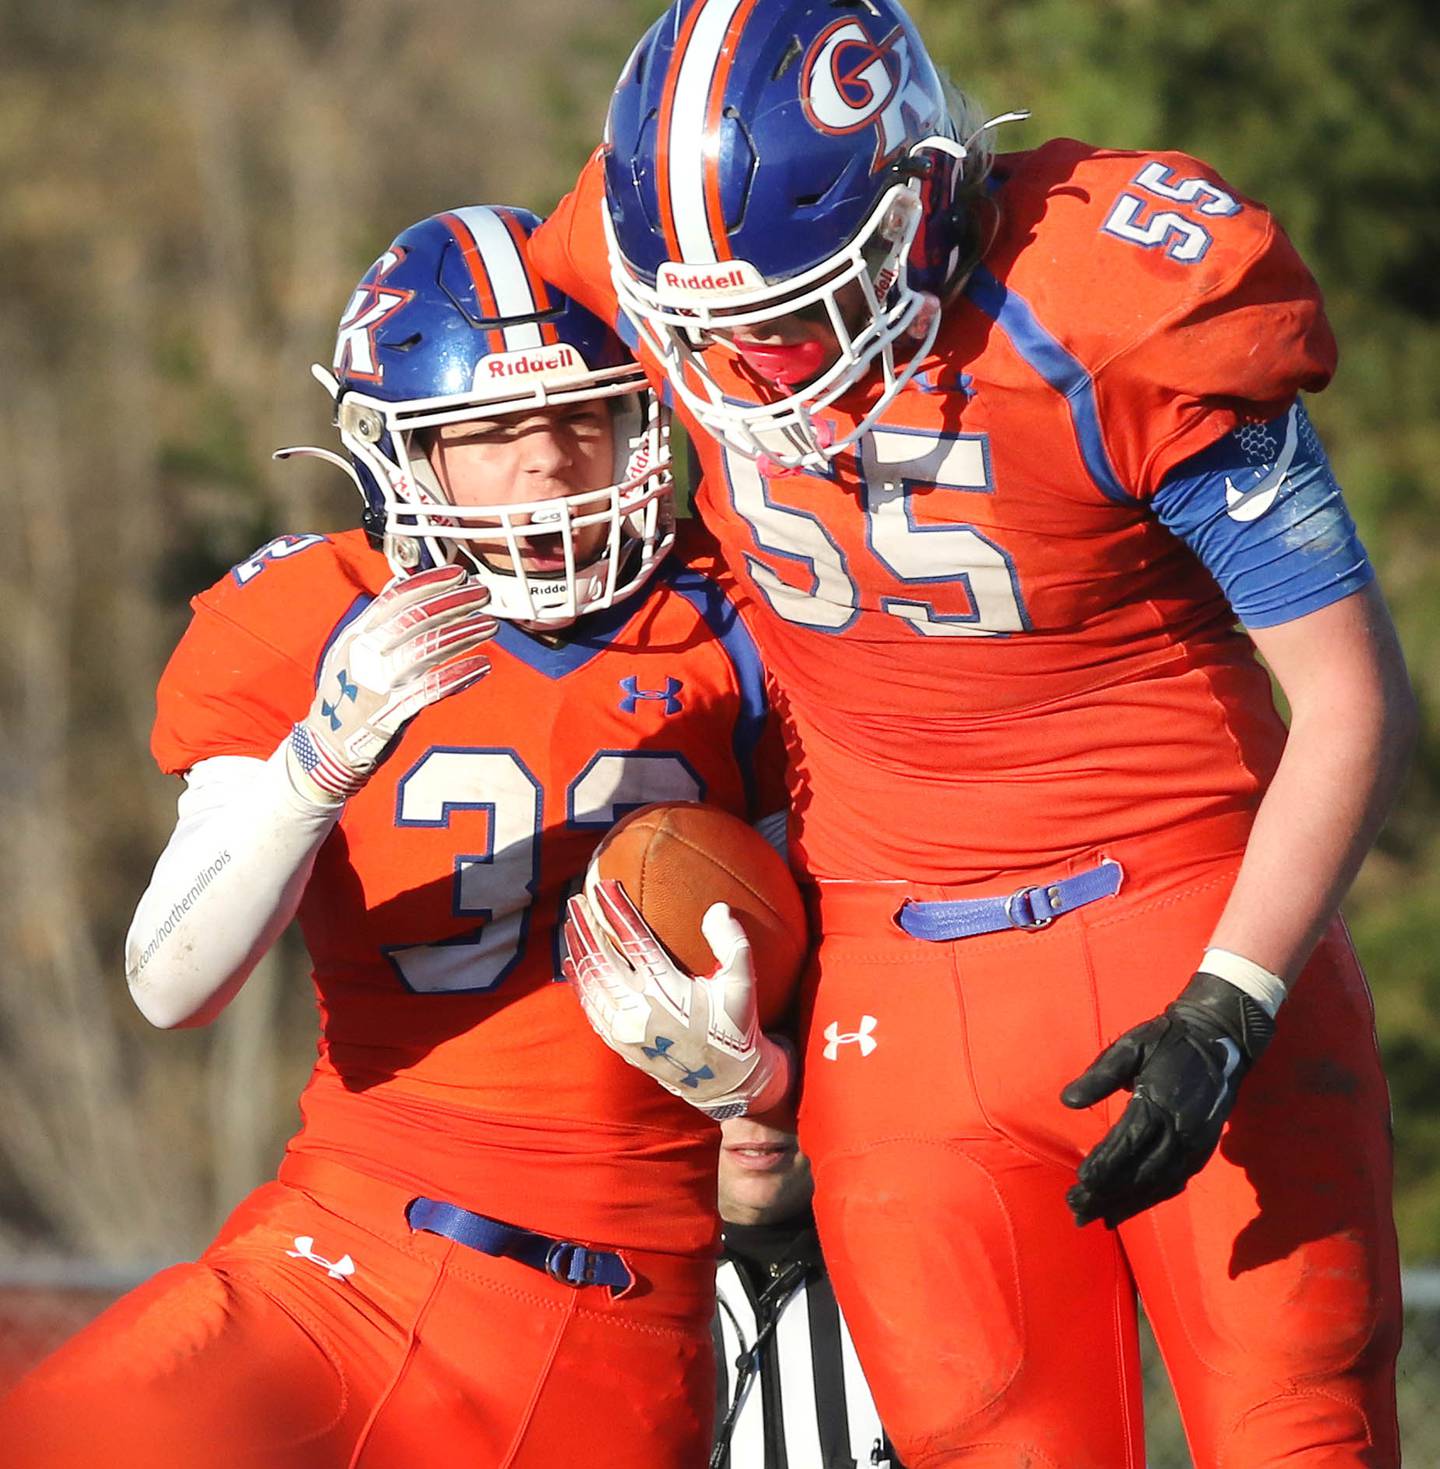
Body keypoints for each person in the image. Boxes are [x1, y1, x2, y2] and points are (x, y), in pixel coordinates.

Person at [541, 2, 1417, 1463]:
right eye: (716, 328)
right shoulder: (651, 247)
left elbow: (1352, 692)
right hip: (903, 984)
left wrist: (1233, 1002)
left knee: (1298, 1420)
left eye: (793, 308)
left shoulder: (1111, 302)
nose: (757, 367)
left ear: (922, 196)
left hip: (1183, 918)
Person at [0, 205, 791, 1469]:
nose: (552, 462)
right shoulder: (316, 619)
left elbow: (862, 963)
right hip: (334, 1259)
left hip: (614, 1319)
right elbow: (171, 982)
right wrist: (321, 755)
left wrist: (766, 1079)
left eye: (586, 415)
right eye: (493, 430)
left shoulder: (747, 620)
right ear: (403, 456)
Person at [712, 1109, 901, 1469]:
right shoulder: (613, 1288)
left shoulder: (920, 1280)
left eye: (785, 1080)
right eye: (721, 1080)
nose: (754, 1110)